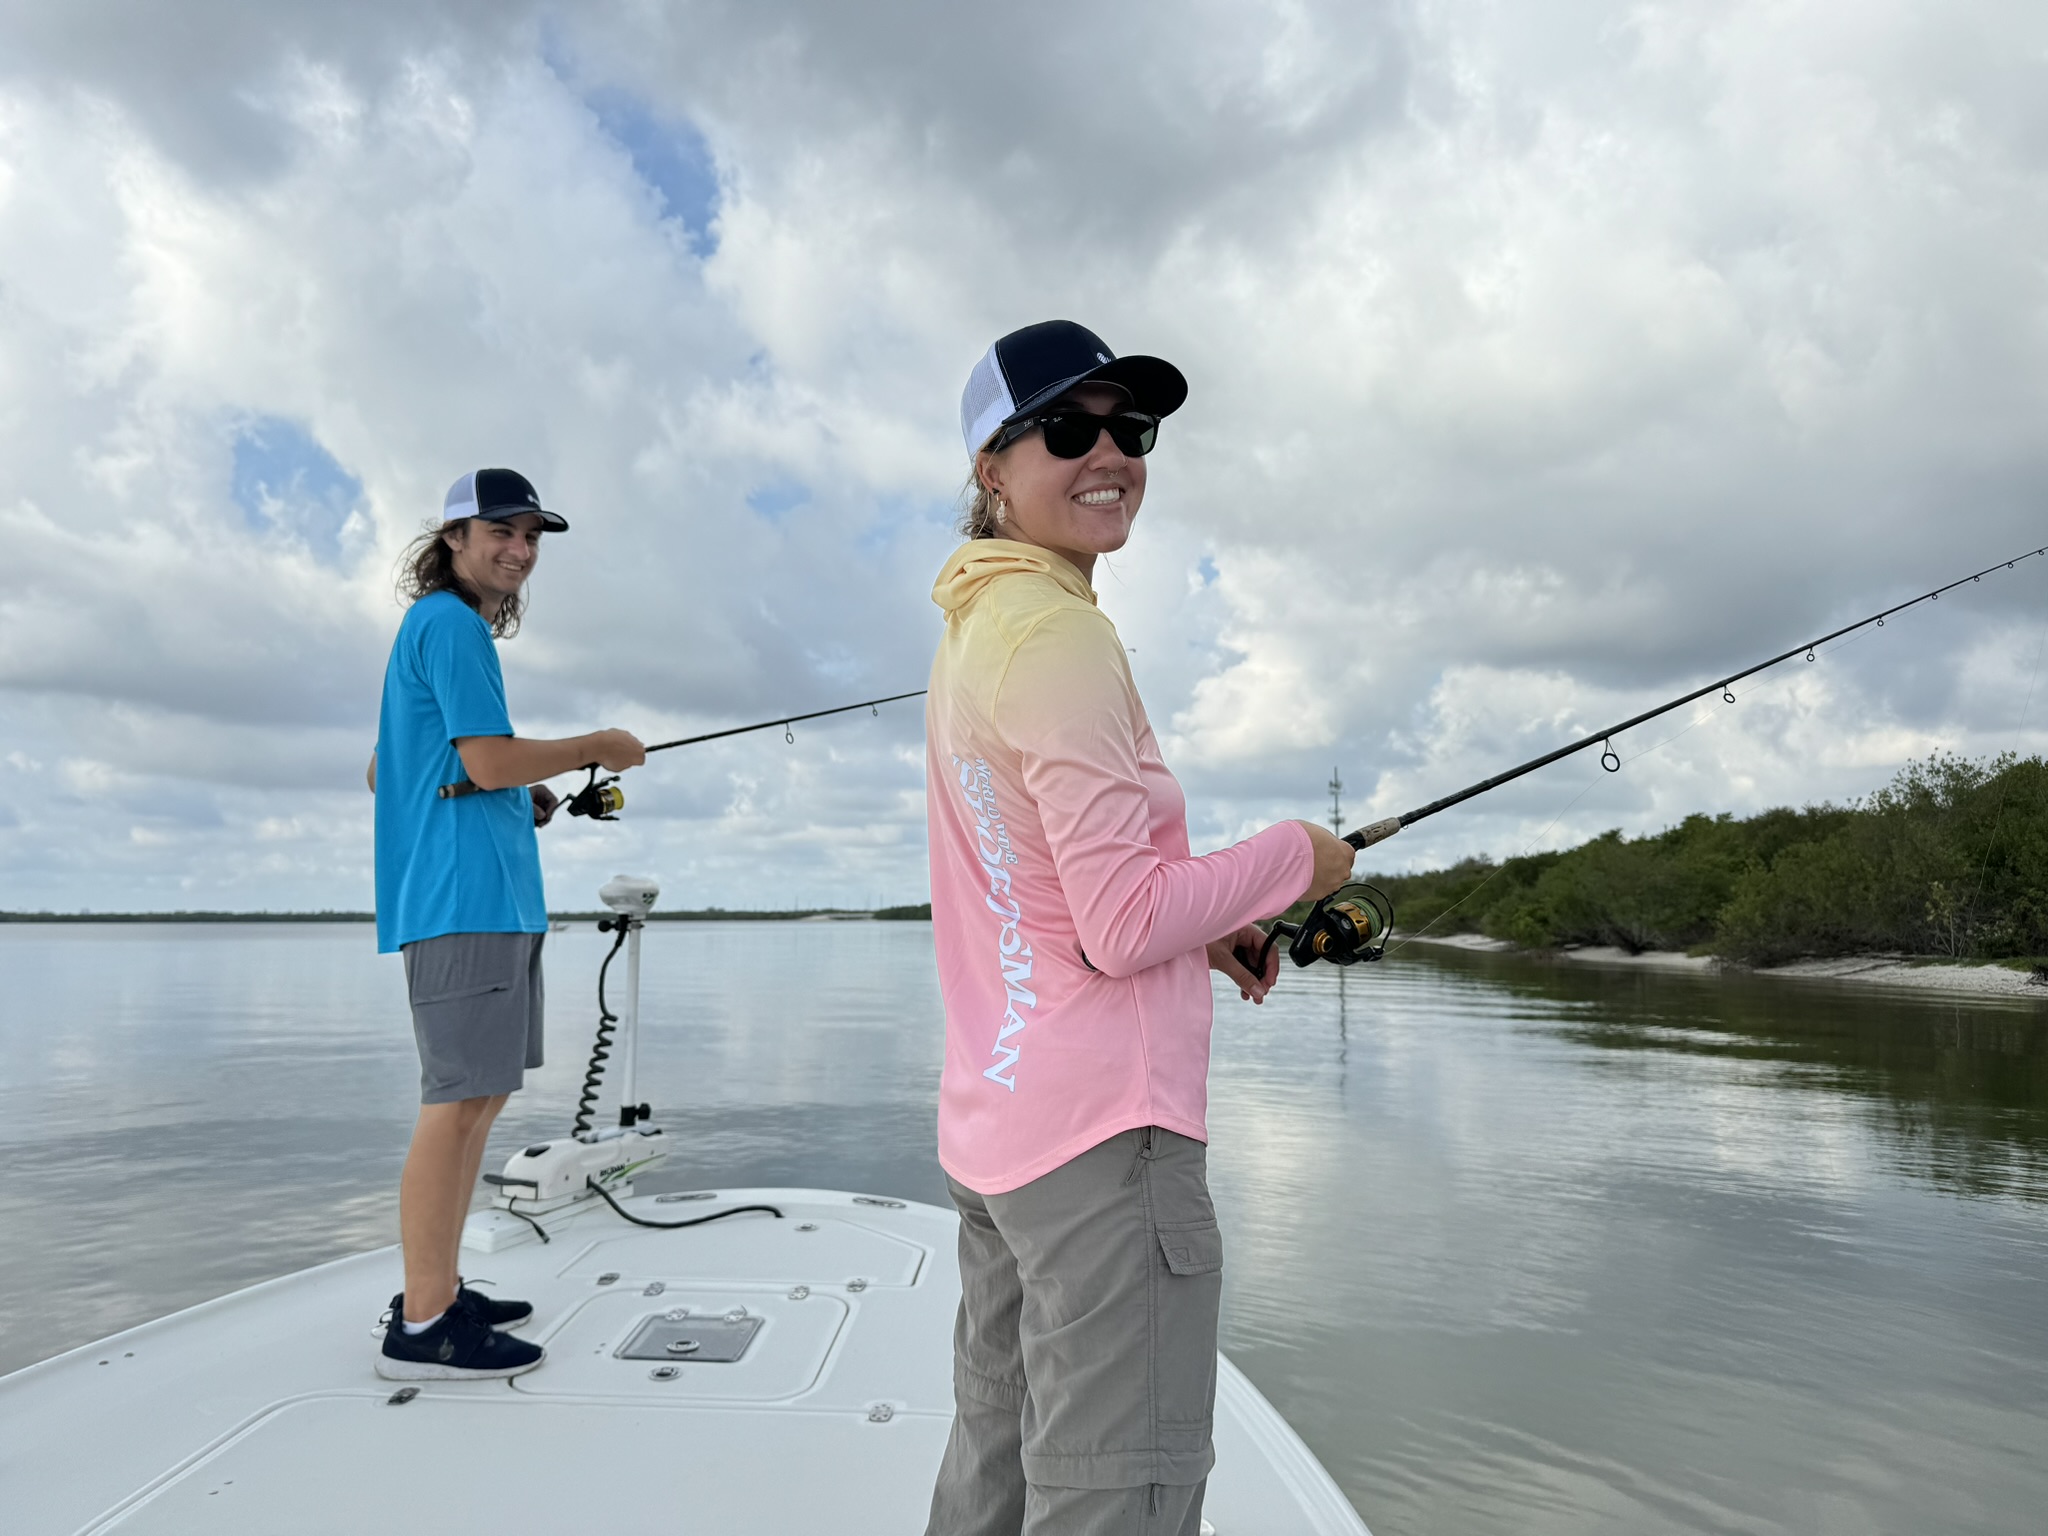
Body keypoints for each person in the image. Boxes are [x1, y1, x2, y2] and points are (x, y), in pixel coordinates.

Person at [921, 323, 1359, 1534]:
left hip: (1000, 1127)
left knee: (995, 1466)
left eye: (1132, 429)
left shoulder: (978, 627)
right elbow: (1116, 927)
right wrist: (1290, 860)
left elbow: (1036, 884)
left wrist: (1206, 927)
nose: (1108, 451)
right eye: (1068, 429)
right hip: (1103, 1145)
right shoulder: (1055, 633)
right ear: (992, 469)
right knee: (1118, 1496)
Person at [367, 467, 645, 1380]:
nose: (519, 550)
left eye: (531, 536)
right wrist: (592, 748)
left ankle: (439, 1288)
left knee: (477, 1102)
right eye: (501, 531)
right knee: (453, 1110)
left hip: (482, 899)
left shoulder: (444, 630)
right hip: (463, 904)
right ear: (452, 538)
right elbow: (479, 760)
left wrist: (508, 792)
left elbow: (389, 768)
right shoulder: (449, 623)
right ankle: (422, 1322)